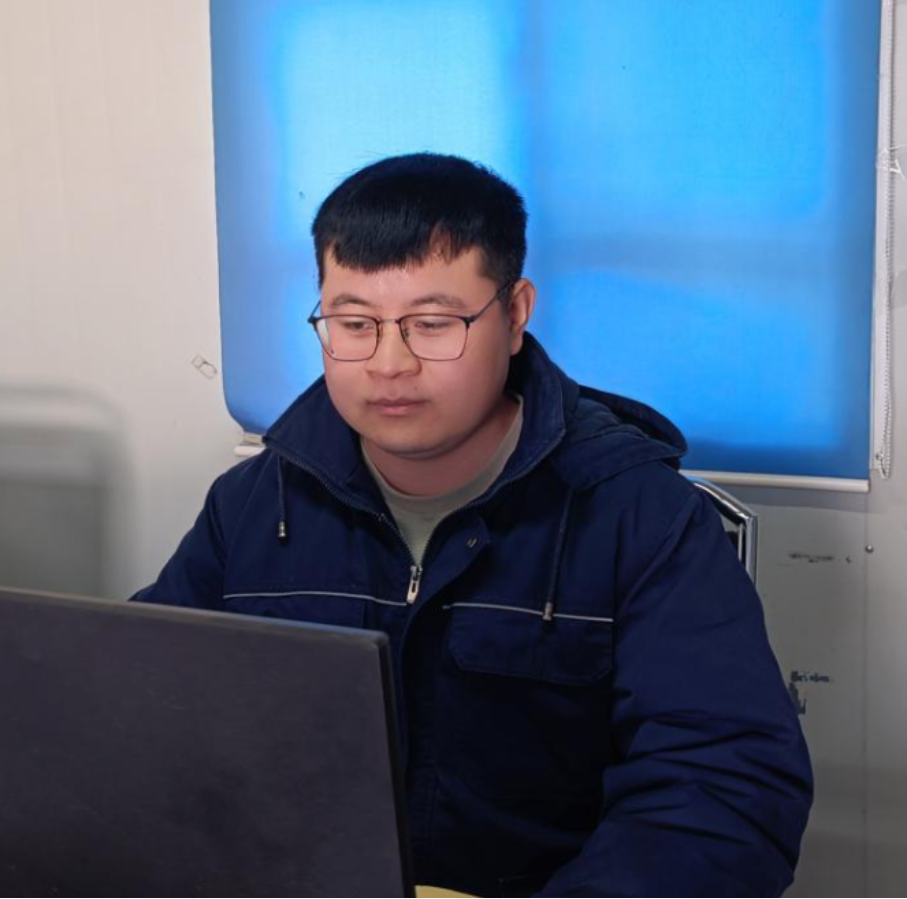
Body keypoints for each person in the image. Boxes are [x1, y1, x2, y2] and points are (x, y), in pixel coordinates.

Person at [134, 152, 812, 898]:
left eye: (432, 324)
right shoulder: (255, 505)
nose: (388, 364)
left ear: (515, 314)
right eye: (353, 324)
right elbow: (145, 709)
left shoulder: (637, 513)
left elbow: (724, 786)